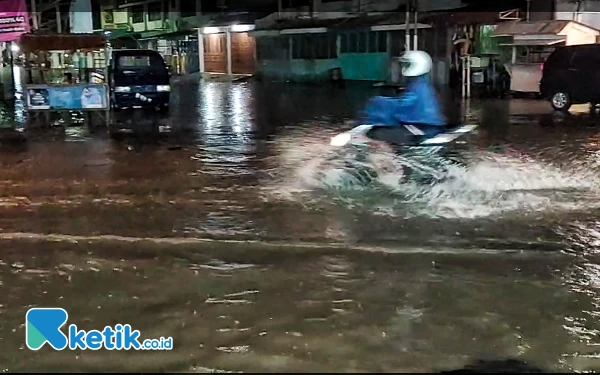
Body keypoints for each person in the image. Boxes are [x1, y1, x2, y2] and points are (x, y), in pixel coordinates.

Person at [360, 50, 448, 142]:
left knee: (375, 134)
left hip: (422, 128)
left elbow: (403, 106)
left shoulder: (419, 86)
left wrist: (378, 102)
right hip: (427, 127)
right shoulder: (421, 83)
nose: (403, 67)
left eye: (407, 64)